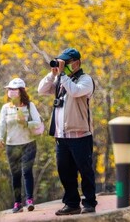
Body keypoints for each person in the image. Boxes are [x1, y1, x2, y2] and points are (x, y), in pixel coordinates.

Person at [38, 47, 97, 215]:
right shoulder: (60, 81)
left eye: (66, 63)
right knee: (65, 171)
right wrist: (53, 74)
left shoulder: (85, 80)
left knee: (85, 170)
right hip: (61, 136)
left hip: (80, 135)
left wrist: (62, 75)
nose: (62, 65)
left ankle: (89, 203)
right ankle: (72, 204)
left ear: (76, 63)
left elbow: (75, 91)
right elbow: (41, 90)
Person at [0, 77, 42, 213]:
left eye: (13, 89)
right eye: (9, 89)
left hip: (28, 144)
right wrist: (0, 137)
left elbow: (38, 123)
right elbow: (1, 123)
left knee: (27, 172)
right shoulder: (6, 108)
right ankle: (17, 203)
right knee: (15, 174)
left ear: (21, 91)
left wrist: (26, 123)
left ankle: (29, 200)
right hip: (12, 145)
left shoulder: (30, 106)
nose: (10, 92)